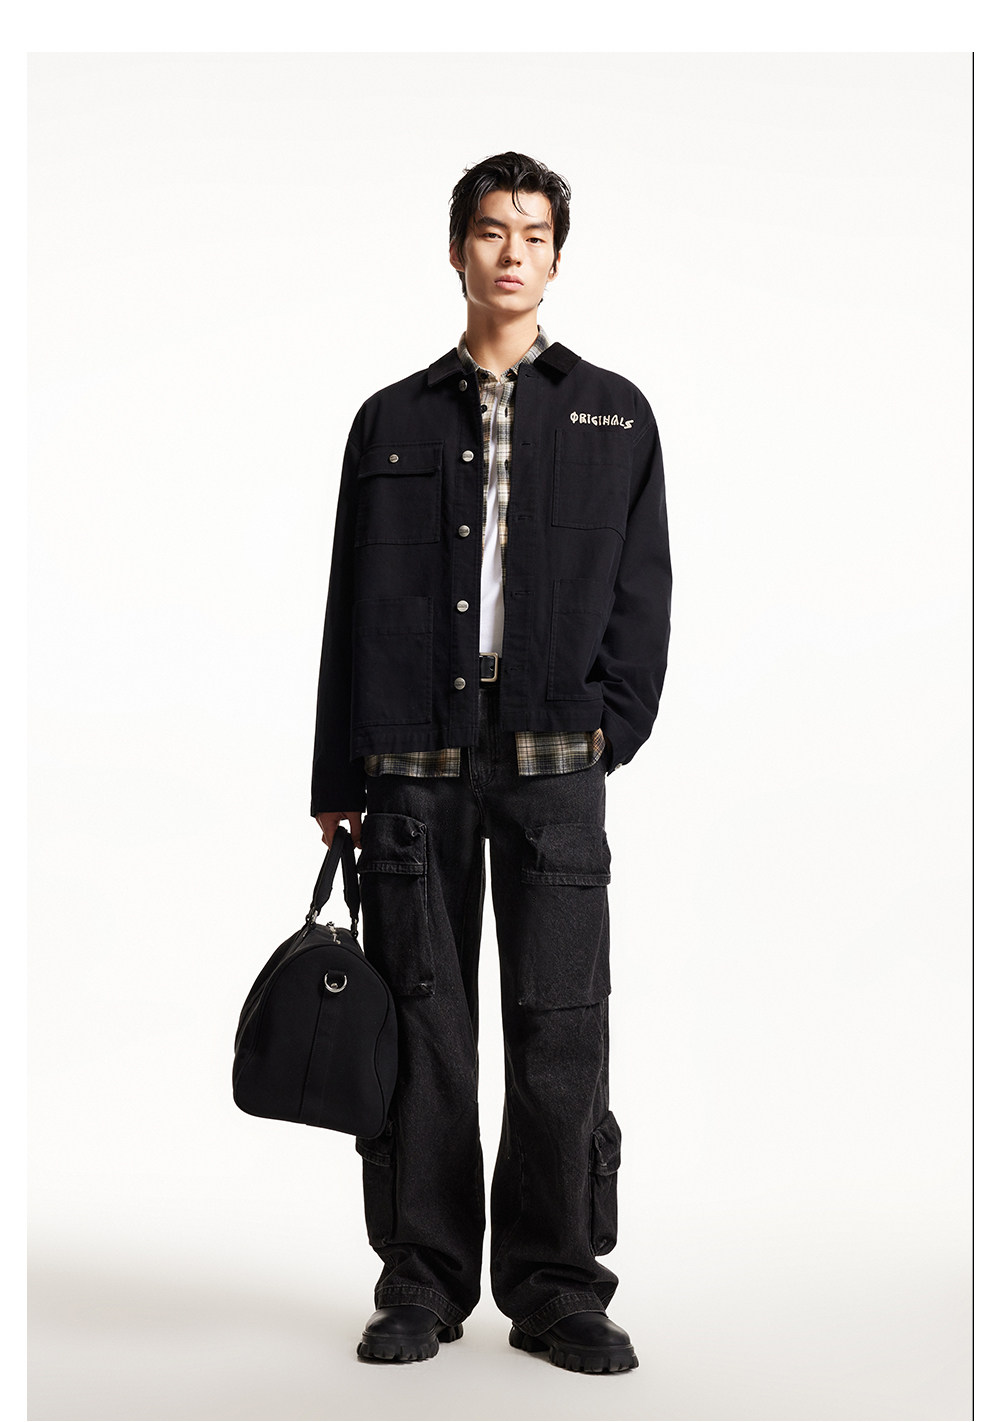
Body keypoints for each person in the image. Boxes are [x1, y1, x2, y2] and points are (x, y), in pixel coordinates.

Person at [311, 152, 671, 1373]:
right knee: (426, 1031)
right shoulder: (391, 419)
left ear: (556, 258)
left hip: (556, 769)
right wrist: (336, 778)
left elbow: (644, 590)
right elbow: (347, 605)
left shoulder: (615, 412)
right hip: (411, 770)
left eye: (533, 233)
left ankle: (556, 1286)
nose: (511, 252)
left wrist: (613, 727)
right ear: (456, 249)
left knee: (560, 1031)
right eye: (489, 230)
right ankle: (421, 1282)